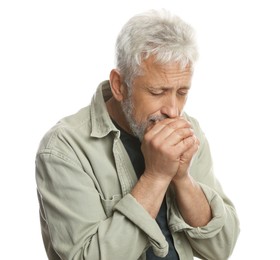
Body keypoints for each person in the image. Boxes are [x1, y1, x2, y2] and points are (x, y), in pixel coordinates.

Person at [35, 9, 240, 260]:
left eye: (182, 92)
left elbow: (221, 248)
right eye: (157, 92)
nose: (173, 110)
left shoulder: (189, 130)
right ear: (119, 85)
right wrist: (156, 175)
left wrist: (183, 179)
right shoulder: (65, 148)